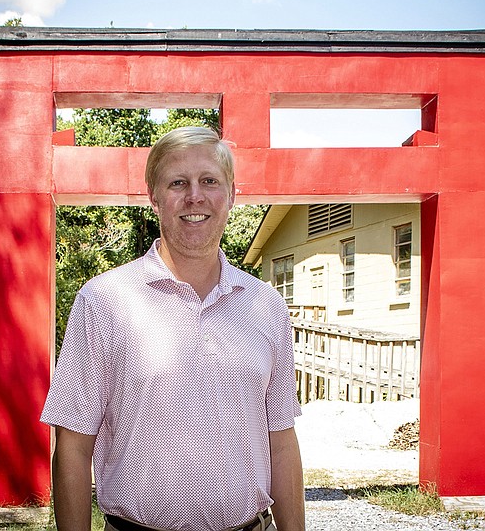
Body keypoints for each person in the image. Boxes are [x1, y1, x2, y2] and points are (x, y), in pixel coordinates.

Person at [40, 126, 305, 531]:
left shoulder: (266, 306)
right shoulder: (104, 301)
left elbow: (282, 442)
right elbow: (73, 445)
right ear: (154, 196)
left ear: (232, 195)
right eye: (178, 182)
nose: (194, 196)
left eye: (210, 181)